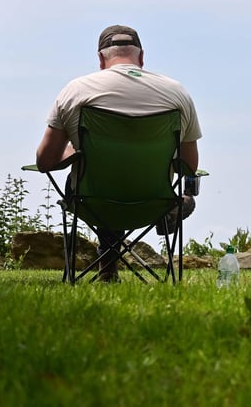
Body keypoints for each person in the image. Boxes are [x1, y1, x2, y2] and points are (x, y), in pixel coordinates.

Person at [36, 25, 202, 282]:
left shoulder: (76, 91)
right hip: (153, 202)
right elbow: (189, 165)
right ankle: (177, 206)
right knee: (131, 179)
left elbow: (45, 161)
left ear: (101, 59)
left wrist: (75, 150)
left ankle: (108, 267)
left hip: (91, 201)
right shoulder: (177, 93)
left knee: (97, 180)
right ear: (142, 56)